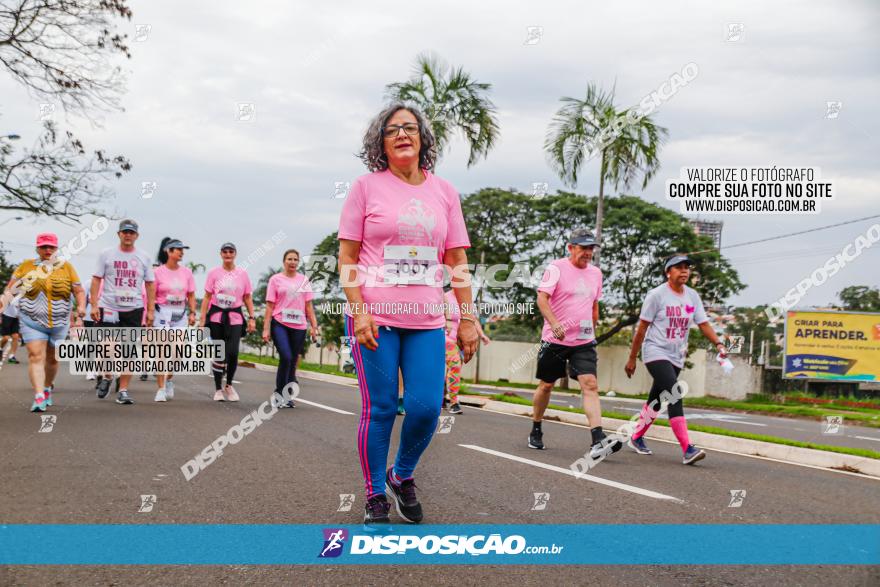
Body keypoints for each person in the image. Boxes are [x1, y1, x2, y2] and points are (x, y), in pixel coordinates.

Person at [338, 103, 477, 526]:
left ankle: (401, 474)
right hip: (375, 317)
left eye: (410, 128)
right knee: (380, 408)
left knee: (426, 408)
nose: (402, 134)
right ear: (380, 141)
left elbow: (456, 261)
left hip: (426, 320)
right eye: (393, 129)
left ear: (423, 139)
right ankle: (374, 494)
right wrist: (359, 312)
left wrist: (468, 318)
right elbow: (346, 257)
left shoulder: (444, 192)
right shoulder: (365, 187)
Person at [624, 254, 728, 465]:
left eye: (687, 268)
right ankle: (687, 449)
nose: (684, 271)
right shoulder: (657, 295)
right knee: (674, 393)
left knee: (656, 399)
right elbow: (641, 329)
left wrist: (718, 343)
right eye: (678, 267)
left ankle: (636, 437)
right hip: (654, 351)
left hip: (676, 355)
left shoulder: (692, 296)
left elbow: (703, 324)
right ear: (668, 272)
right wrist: (632, 358)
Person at [529, 229, 618, 461]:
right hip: (555, 339)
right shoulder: (555, 268)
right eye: (584, 248)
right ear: (571, 247)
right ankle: (536, 427)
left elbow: (594, 303)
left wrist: (593, 327)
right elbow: (541, 298)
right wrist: (555, 323)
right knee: (547, 385)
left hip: (583, 341)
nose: (588, 253)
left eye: (591, 249)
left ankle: (598, 439)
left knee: (590, 384)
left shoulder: (596, 273)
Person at [0, 233, 86, 411]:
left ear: (56, 248)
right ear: (37, 248)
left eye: (51, 247)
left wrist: (82, 307)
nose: (48, 250)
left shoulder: (66, 267)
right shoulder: (26, 266)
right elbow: (10, 290)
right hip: (31, 320)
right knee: (35, 355)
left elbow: (78, 290)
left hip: (59, 321)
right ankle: (38, 396)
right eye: (44, 247)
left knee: (52, 359)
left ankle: (47, 388)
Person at [91, 219, 155, 405]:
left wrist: (150, 310)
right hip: (109, 306)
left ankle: (124, 390)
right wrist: (94, 305)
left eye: (131, 232)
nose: (128, 235)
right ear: (119, 234)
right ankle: (108, 375)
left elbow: (150, 285)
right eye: (125, 232)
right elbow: (96, 279)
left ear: (136, 236)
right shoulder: (106, 254)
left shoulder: (144, 257)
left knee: (129, 352)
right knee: (106, 347)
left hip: (133, 309)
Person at [261, 249, 319, 408]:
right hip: (280, 322)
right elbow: (269, 306)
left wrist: (315, 326)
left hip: (299, 325)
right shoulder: (275, 280)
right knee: (286, 357)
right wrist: (266, 329)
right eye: (289, 259)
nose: (292, 262)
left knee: (292, 361)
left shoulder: (304, 280)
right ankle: (279, 394)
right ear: (284, 261)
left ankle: (286, 394)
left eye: (295, 259)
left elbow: (309, 306)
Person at [199, 243, 256, 402]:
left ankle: (229, 385)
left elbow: (247, 298)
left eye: (231, 251)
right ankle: (218, 388)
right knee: (220, 352)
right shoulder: (214, 273)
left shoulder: (242, 274)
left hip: (235, 317)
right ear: (221, 254)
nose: (228, 254)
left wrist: (252, 317)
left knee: (232, 353)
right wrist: (202, 319)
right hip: (217, 316)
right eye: (225, 251)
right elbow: (207, 297)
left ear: (235, 254)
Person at [150, 238, 197, 402]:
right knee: (161, 352)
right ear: (168, 251)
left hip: (180, 314)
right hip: (162, 313)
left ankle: (169, 379)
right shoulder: (157, 272)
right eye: (178, 249)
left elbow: (191, 294)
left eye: (182, 249)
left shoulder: (187, 272)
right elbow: (151, 295)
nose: (181, 252)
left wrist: (192, 313)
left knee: (178, 351)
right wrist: (149, 314)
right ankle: (161, 389)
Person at [443, 285, 491, 414]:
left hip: (462, 341)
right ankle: (453, 403)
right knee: (455, 365)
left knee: (453, 370)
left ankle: (442, 396)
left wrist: (482, 335)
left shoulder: (466, 301)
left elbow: (473, 320)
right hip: (446, 338)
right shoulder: (445, 297)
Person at [0, 297, 22, 365]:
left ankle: (12, 357)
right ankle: (0, 349)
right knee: (6, 338)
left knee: (15, 336)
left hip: (15, 318)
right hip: (6, 317)